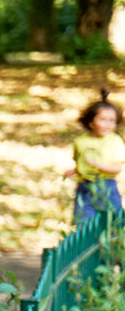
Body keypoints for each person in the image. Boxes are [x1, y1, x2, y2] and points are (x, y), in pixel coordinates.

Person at [64, 88, 125, 224]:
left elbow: (117, 168)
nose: (108, 124)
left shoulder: (114, 141)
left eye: (112, 121)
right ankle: (88, 244)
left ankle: (112, 244)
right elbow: (81, 162)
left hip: (107, 187)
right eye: (103, 120)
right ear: (91, 122)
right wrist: (74, 171)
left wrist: (98, 166)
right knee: (84, 221)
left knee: (111, 221)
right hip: (85, 186)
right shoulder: (80, 141)